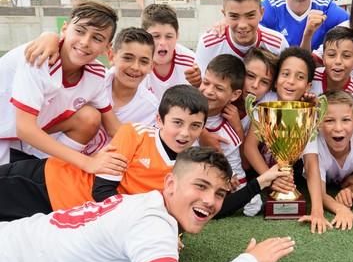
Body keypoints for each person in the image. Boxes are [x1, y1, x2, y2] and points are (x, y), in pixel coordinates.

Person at [0, 146, 295, 262]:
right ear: (170, 183)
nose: (210, 201)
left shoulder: (145, 204)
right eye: (201, 186)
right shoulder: (151, 224)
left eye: (219, 193)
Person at [0, 84, 207, 221]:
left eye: (195, 126)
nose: (185, 133)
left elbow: (195, 210)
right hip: (47, 183)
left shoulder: (188, 168)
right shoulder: (135, 134)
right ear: (160, 120)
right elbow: (103, 192)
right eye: (177, 122)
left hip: (62, 216)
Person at [0, 0, 124, 175]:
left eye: (97, 38)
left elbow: (113, 126)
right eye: (80, 31)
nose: (85, 42)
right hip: (12, 133)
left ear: (107, 47)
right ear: (65, 29)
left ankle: (48, 171)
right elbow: (25, 128)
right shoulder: (40, 57)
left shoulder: (96, 74)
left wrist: (157, 144)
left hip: (27, 135)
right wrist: (88, 163)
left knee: (89, 117)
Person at [242, 47, 330, 233]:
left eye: (299, 77)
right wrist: (269, 179)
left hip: (289, 178)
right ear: (276, 81)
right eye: (285, 74)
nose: (290, 82)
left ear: (308, 86)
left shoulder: (307, 112)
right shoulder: (265, 104)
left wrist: (317, 210)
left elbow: (311, 164)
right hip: (260, 174)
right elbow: (250, 148)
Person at [199, 54, 259, 217]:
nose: (209, 91)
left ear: (234, 95)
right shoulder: (182, 108)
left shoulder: (227, 135)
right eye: (206, 82)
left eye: (219, 88)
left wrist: (228, 180)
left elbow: (238, 177)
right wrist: (200, 133)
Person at [82, 27, 159, 155]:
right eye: (128, 58)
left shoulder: (151, 108)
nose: (135, 67)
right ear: (111, 56)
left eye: (144, 61)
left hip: (110, 169)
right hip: (65, 160)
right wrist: (49, 37)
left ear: (151, 67)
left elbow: (139, 151)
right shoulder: (93, 79)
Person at [196, 0, 288, 75]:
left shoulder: (278, 44)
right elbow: (203, 86)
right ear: (224, 15)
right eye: (234, 16)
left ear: (261, 13)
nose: (242, 25)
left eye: (250, 15)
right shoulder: (208, 44)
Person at [316, 91, 353, 230]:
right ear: (318, 123)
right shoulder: (315, 145)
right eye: (329, 120)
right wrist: (340, 209)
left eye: (346, 120)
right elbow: (319, 192)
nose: (338, 128)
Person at [138, 4, 200, 101]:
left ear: (177, 36)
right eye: (156, 36)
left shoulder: (191, 63)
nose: (162, 42)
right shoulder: (134, 63)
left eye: (169, 36)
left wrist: (199, 84)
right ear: (144, 36)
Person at [309, 26, 353, 114]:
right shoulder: (310, 79)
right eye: (331, 55)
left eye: (346, 56)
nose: (338, 61)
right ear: (323, 58)